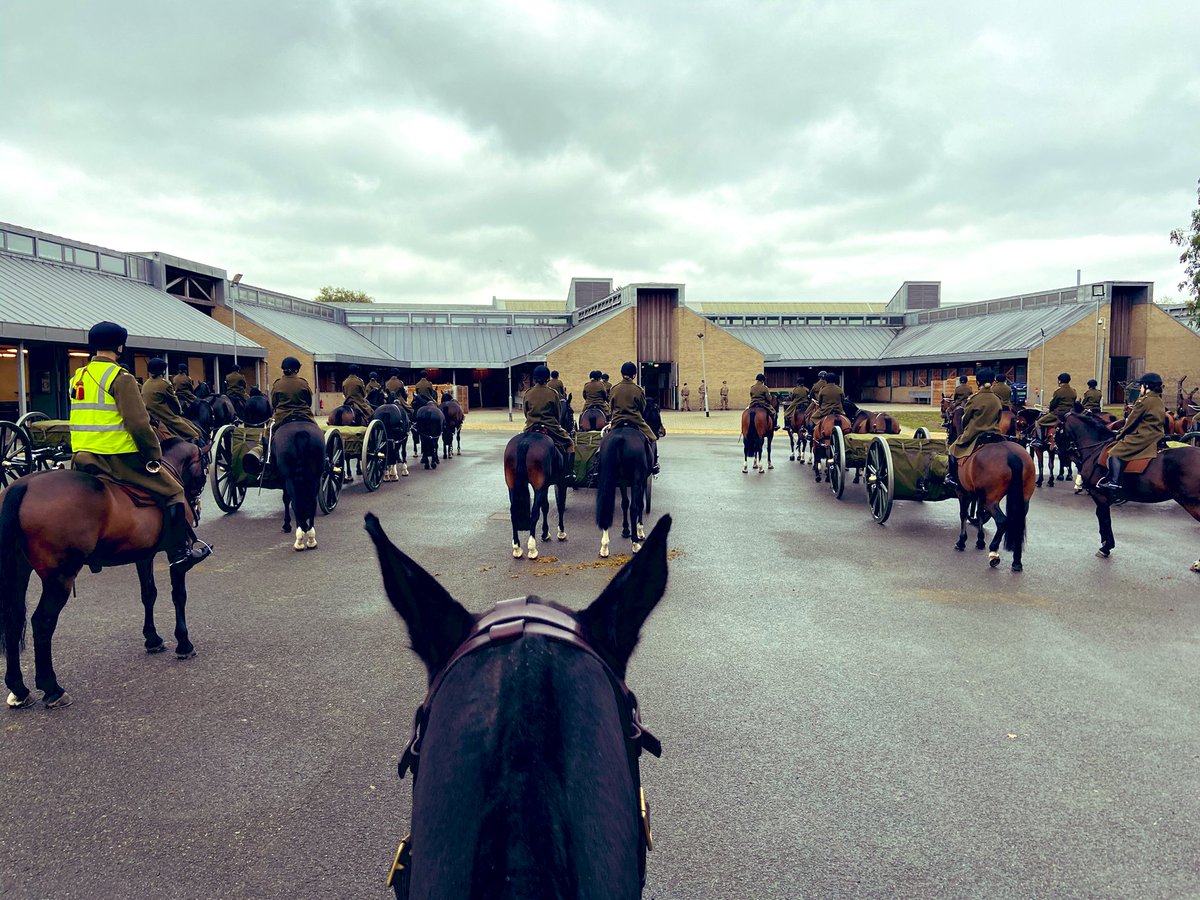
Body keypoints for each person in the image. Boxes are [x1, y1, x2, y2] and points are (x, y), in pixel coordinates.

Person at [69, 322, 210, 571]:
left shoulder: (78, 376)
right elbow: (137, 423)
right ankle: (180, 553)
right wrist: (153, 454)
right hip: (116, 458)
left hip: (82, 456)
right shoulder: (120, 378)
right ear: (120, 346)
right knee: (174, 491)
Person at [1097, 372, 1167, 493]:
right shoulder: (1158, 400)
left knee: (1114, 453)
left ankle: (1113, 483)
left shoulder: (1144, 401)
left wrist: (1119, 435)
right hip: (1157, 434)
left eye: (1141, 385)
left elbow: (1131, 423)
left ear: (1146, 386)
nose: (1140, 388)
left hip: (1143, 436)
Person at [943, 368, 1003, 489]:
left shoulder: (975, 399)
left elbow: (965, 419)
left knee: (952, 448)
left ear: (978, 382)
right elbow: (999, 418)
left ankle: (952, 477)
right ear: (992, 382)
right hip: (994, 433)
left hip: (975, 434)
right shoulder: (997, 399)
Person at [610, 361, 659, 475]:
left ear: (622, 373)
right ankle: (654, 464)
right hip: (636, 420)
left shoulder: (614, 388)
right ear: (634, 375)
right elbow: (642, 407)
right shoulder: (638, 389)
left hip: (617, 421)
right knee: (652, 438)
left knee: (605, 438)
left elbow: (611, 406)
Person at [522, 365, 574, 470]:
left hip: (530, 426)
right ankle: (569, 471)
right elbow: (557, 413)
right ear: (547, 378)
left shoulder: (528, 393)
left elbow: (525, 412)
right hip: (550, 427)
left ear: (534, 378)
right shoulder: (552, 393)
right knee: (570, 443)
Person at [141, 358, 201, 442]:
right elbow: (175, 402)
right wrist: (179, 412)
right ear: (163, 371)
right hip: (167, 414)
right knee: (194, 433)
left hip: (150, 415)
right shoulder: (166, 383)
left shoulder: (145, 384)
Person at [271, 357, 317, 429]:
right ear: (297, 370)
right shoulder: (303, 383)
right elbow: (309, 402)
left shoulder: (277, 384)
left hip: (282, 416)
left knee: (268, 432)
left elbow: (274, 403)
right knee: (316, 429)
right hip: (304, 414)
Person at [1034, 373, 1077, 447]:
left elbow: (1053, 404)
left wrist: (1049, 410)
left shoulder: (1058, 392)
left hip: (1058, 413)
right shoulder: (1073, 391)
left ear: (1060, 381)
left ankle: (1039, 441)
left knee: (1038, 422)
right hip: (1070, 413)